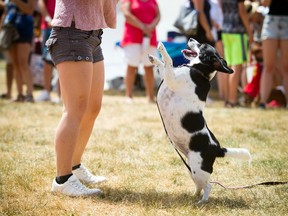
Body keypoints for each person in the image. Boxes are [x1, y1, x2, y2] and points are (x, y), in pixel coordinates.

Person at [46, 0, 118, 197]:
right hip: (72, 32)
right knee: (74, 109)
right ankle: (62, 179)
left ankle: (74, 166)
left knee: (92, 108)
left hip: (92, 34)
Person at [120, 0, 161, 103]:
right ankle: (129, 96)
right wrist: (143, 27)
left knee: (149, 67)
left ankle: (150, 97)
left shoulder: (153, 1)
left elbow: (158, 16)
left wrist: (150, 27)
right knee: (131, 66)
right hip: (133, 37)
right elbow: (126, 14)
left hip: (149, 37)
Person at [221, 0, 253, 107]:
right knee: (237, 66)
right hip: (238, 32)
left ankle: (227, 99)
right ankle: (232, 100)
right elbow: (242, 12)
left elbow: (222, 9)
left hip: (226, 31)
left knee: (228, 66)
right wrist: (250, 32)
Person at [259, 0, 288, 109]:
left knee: (286, 67)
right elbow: (265, 3)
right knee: (268, 66)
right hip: (271, 22)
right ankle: (262, 102)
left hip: (286, 22)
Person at [4, 0, 35, 102]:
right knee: (15, 63)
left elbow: (30, 10)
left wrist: (16, 1)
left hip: (24, 27)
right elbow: (6, 11)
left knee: (23, 62)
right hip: (10, 28)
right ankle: (20, 95)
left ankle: (29, 94)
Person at [36, 0, 60, 103]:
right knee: (47, 61)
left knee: (63, 61)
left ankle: (61, 95)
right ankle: (46, 91)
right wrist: (48, 19)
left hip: (63, 27)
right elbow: (41, 2)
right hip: (48, 28)